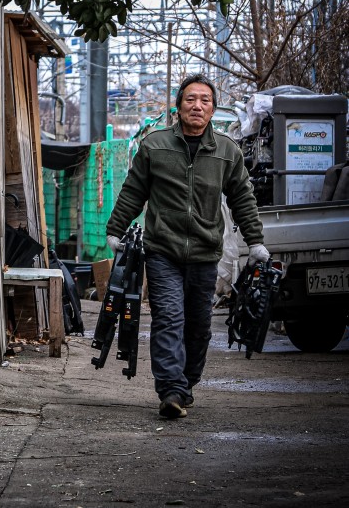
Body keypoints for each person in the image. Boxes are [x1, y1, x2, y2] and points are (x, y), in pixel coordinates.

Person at [105, 74, 268, 419]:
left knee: (199, 326)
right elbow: (134, 191)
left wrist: (255, 241)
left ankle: (186, 383)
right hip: (163, 250)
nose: (197, 105)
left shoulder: (226, 151)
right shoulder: (155, 146)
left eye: (205, 100)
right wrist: (116, 229)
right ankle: (170, 390)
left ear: (212, 108)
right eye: (190, 99)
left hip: (205, 253)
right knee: (168, 317)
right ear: (178, 107)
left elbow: (242, 197)